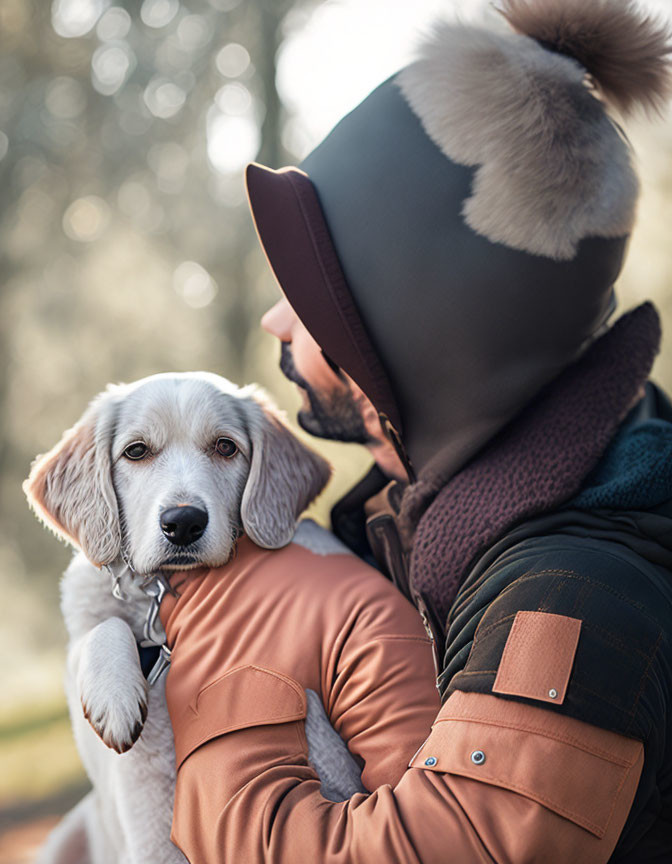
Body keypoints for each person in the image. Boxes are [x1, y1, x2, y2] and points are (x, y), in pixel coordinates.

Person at [159, 0, 672, 861]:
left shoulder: (579, 596)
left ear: (406, 335)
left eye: (314, 298)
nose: (277, 322)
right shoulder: (413, 522)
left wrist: (224, 702)